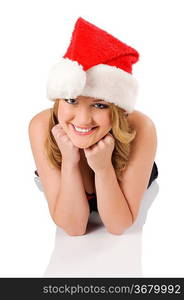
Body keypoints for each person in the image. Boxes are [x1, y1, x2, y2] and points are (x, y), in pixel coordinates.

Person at [28, 17, 158, 236]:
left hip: (120, 183)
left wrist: (104, 168)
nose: (83, 119)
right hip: (70, 181)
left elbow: (118, 226)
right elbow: (75, 229)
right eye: (71, 100)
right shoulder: (41, 125)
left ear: (117, 110)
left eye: (99, 105)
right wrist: (69, 162)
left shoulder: (142, 128)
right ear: (59, 99)